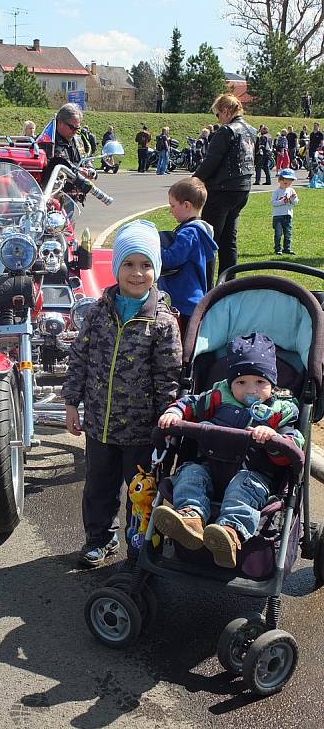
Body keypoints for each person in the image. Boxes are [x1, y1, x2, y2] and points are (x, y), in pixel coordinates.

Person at [62, 220, 182, 568]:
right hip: (99, 425)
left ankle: (139, 546)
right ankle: (98, 539)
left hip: (141, 432)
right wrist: (71, 403)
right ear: (116, 268)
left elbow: (168, 377)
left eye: (146, 265)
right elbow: (80, 357)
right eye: (129, 264)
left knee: (140, 492)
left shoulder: (162, 322)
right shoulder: (99, 311)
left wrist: (167, 421)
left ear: (156, 270)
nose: (137, 273)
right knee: (98, 488)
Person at [154, 332, 304, 568]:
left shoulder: (279, 410)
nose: (251, 390)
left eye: (260, 382)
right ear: (230, 382)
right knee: (190, 473)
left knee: (243, 488)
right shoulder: (217, 397)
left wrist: (274, 439)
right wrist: (175, 413)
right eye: (241, 382)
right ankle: (190, 518)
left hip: (252, 474)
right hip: (209, 467)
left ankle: (229, 533)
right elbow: (190, 403)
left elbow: (293, 447)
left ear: (272, 384)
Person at [192, 94, 255, 286]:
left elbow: (211, 161)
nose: (217, 118)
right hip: (242, 189)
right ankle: (229, 286)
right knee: (229, 242)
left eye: (218, 114)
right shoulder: (251, 131)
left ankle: (207, 289)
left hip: (221, 190)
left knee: (209, 241)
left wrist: (194, 180)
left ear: (226, 111)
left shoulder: (226, 131)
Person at [158, 177, 218, 337]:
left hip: (184, 301)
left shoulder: (190, 233)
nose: (170, 210)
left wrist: (153, 247)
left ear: (186, 205)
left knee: (181, 344)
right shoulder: (198, 230)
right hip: (189, 300)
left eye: (173, 205)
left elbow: (170, 260)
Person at [271, 168, 299, 256]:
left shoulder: (291, 190)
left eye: (290, 183)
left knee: (288, 233)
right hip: (278, 216)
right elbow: (273, 203)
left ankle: (287, 248)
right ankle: (277, 249)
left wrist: (293, 199)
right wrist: (283, 201)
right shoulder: (276, 192)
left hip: (288, 215)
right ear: (280, 180)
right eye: (285, 183)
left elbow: (296, 202)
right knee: (278, 233)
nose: (287, 185)